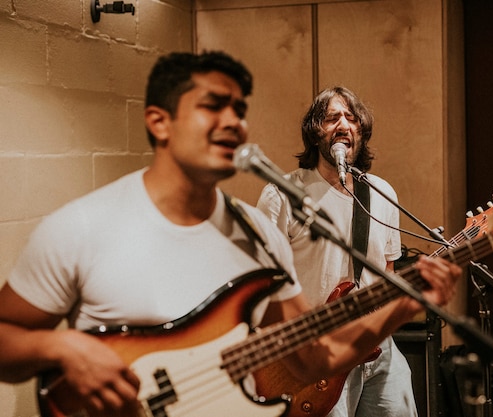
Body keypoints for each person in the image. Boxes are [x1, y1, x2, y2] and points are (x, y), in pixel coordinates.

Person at [0, 52, 460, 417]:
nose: (233, 123)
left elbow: (310, 358)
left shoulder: (256, 233)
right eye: (210, 107)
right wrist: (62, 347)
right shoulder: (81, 227)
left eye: (238, 110)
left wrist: (402, 306)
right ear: (160, 121)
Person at [257, 86, 423, 417]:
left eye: (351, 118)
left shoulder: (381, 194)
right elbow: (261, 282)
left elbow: (387, 269)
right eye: (332, 118)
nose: (343, 125)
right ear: (314, 131)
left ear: (361, 131)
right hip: (316, 354)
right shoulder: (283, 195)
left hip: (378, 350)